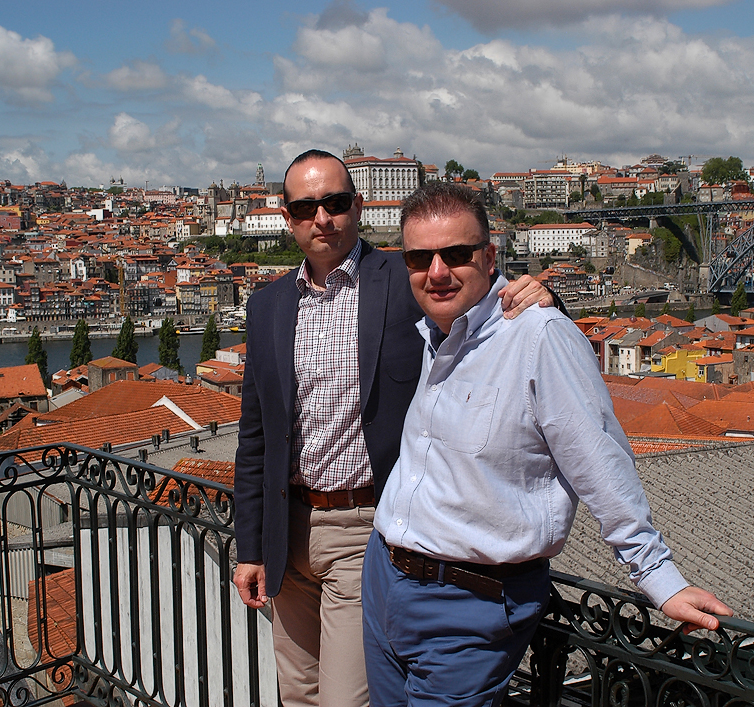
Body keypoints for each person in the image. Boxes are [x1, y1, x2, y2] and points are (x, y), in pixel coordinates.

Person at [362, 182, 733, 707]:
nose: (437, 271)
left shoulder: (540, 337)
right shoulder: (430, 330)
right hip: (384, 579)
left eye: (456, 254)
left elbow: (600, 461)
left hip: (469, 602)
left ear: (490, 257)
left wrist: (659, 577)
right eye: (420, 257)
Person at [232, 150, 554, 707]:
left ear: (357, 206)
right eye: (306, 208)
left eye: (335, 203)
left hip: (365, 527)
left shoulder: (407, 278)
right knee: (298, 695)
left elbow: (488, 308)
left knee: (344, 702)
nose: (322, 218)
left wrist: (545, 299)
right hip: (288, 532)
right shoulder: (268, 305)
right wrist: (251, 547)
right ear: (287, 218)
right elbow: (255, 435)